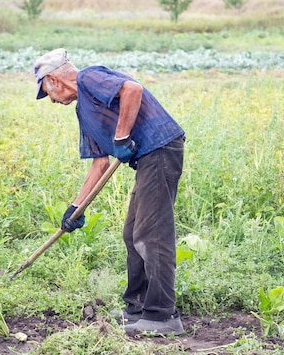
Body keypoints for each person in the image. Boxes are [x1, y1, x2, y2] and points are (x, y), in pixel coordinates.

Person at [33, 48, 186, 335]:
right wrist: (75, 208)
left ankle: (162, 316)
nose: (52, 101)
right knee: (132, 233)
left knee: (151, 235)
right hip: (148, 160)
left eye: (47, 93)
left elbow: (132, 89)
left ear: (53, 80)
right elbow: (99, 164)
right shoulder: (84, 111)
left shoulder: (89, 78)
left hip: (161, 149)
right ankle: (137, 307)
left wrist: (122, 136)